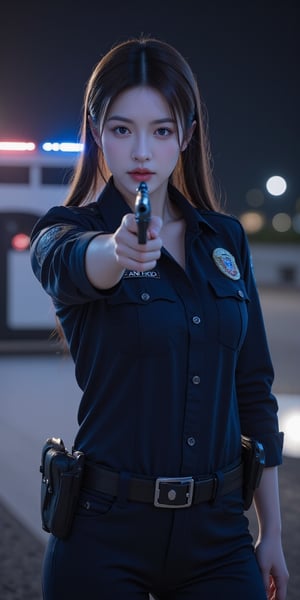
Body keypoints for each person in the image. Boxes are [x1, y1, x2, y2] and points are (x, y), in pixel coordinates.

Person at [30, 36, 289, 600]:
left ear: (187, 136)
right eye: (122, 130)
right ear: (98, 134)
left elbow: (254, 388)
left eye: (162, 130)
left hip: (217, 534)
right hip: (103, 529)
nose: (141, 152)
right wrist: (115, 252)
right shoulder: (69, 229)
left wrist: (272, 531)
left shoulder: (226, 240)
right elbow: (65, 261)